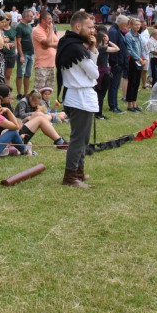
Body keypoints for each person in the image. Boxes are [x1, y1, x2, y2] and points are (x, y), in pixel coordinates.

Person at [56, 10, 98, 188]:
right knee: (78, 140)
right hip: (79, 96)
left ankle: (78, 172)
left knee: (83, 139)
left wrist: (93, 49)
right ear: (78, 26)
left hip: (79, 95)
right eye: (89, 27)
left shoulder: (72, 44)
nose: (92, 31)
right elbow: (95, 73)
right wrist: (91, 51)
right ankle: (70, 176)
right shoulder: (75, 47)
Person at [31, 9, 58, 92]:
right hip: (42, 65)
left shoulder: (49, 30)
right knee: (39, 90)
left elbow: (58, 43)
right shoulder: (37, 30)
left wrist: (49, 44)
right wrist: (50, 32)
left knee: (49, 90)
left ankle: (46, 105)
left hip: (52, 64)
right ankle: (37, 105)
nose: (51, 21)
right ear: (43, 20)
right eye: (49, 19)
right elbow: (47, 43)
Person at [106, 16, 129, 113]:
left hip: (119, 62)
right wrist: (115, 63)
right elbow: (113, 48)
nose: (126, 26)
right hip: (116, 63)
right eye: (126, 24)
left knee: (115, 85)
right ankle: (113, 105)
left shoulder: (117, 31)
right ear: (122, 23)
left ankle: (115, 104)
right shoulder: (113, 32)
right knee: (114, 85)